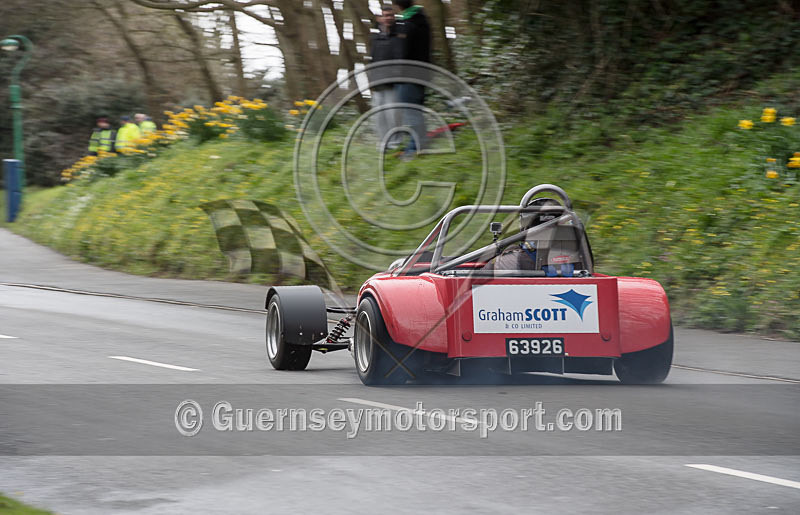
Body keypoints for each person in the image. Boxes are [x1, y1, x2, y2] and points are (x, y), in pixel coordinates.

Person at [393, 0, 431, 159]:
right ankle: (416, 144)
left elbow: (402, 53)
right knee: (415, 112)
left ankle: (415, 149)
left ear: (398, 6)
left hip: (409, 75)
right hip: (421, 73)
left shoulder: (408, 25)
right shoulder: (421, 20)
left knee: (412, 113)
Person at [369, 4, 403, 150]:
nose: (388, 18)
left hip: (394, 82)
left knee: (393, 113)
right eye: (385, 15)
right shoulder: (375, 38)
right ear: (380, 18)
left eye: (391, 15)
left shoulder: (400, 35)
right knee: (379, 114)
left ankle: (396, 142)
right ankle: (384, 143)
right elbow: (373, 59)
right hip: (378, 81)